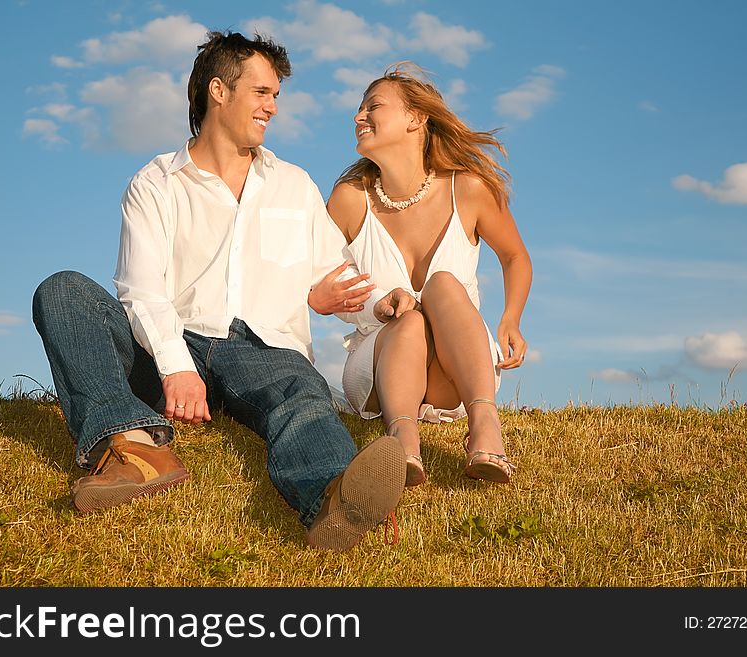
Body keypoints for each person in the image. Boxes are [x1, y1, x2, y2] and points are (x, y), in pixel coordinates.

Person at [31, 31, 406, 552]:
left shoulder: (293, 184)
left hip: (263, 347)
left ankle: (333, 499)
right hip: (170, 342)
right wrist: (175, 365)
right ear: (218, 91)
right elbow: (141, 289)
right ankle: (135, 447)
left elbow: (329, 277)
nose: (273, 107)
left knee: (302, 397)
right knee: (63, 291)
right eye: (262, 92)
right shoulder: (155, 183)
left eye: (276, 95)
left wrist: (375, 303)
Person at [325, 63, 532, 488]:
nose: (358, 116)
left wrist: (510, 318)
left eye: (372, 106)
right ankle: (402, 441)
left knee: (443, 284)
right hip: (380, 369)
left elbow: (514, 256)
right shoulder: (349, 199)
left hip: (453, 372)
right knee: (410, 318)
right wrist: (379, 302)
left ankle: (485, 425)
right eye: (359, 109)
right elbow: (321, 280)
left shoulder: (468, 189)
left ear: (416, 118)